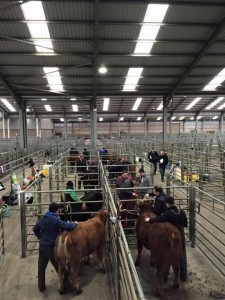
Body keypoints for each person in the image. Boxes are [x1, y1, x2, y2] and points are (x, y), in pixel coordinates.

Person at [33, 202, 77, 292]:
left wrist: (40, 237)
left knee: (41, 267)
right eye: (58, 211)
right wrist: (75, 224)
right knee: (59, 265)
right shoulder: (55, 220)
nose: (59, 212)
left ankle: (41, 286)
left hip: (42, 246)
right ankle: (67, 286)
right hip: (50, 246)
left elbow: (35, 229)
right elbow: (66, 225)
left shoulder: (43, 217)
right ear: (56, 211)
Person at [145, 196, 188, 281]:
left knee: (169, 254)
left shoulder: (168, 213)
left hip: (171, 234)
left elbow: (159, 219)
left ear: (167, 204)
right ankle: (183, 276)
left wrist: (149, 219)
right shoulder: (182, 212)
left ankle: (165, 275)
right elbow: (186, 224)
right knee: (181, 254)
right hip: (180, 234)